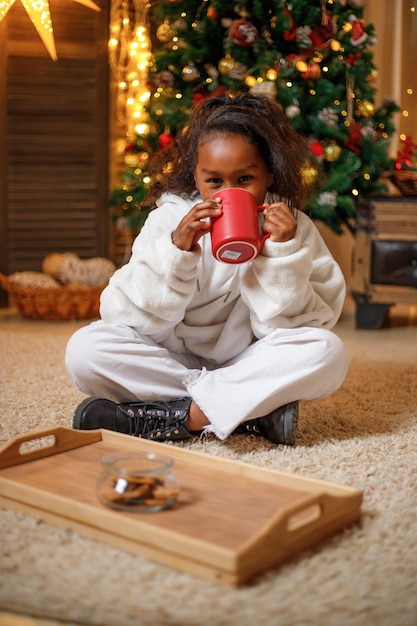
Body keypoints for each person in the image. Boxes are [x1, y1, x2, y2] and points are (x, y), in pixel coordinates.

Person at [65, 92, 348, 446]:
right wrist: (177, 250)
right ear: (195, 177)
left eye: (245, 179)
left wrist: (281, 251)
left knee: (327, 352)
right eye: (214, 181)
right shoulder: (168, 220)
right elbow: (131, 318)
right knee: (85, 350)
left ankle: (177, 416)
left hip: (250, 359)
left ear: (269, 175)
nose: (228, 192)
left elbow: (297, 325)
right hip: (173, 357)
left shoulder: (292, 226)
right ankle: (250, 411)